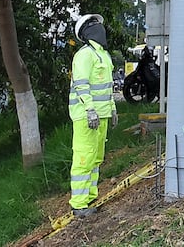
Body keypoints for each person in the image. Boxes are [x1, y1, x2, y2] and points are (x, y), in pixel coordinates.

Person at [68, 14, 116, 217]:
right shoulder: (84, 55)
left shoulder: (104, 55)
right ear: (86, 32)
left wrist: (112, 108)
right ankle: (78, 204)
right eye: (94, 25)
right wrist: (89, 110)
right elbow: (81, 85)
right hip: (87, 116)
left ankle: (90, 198)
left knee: (96, 159)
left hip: (102, 115)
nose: (100, 29)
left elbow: (108, 87)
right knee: (83, 158)